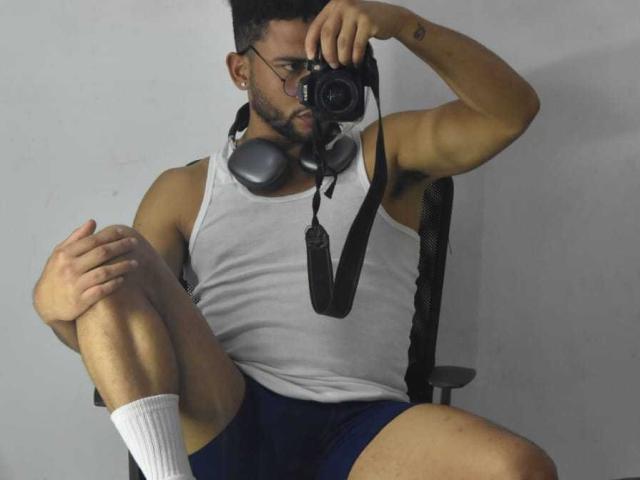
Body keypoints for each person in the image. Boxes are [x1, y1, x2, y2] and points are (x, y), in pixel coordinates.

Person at [32, 1, 555, 479]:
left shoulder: (386, 155)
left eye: (326, 67)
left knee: (520, 470)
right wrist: (58, 314)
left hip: (365, 427)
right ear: (241, 71)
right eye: (292, 68)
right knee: (116, 256)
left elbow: (510, 113)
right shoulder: (185, 190)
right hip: (227, 410)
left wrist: (400, 24)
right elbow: (124, 330)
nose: (310, 86)